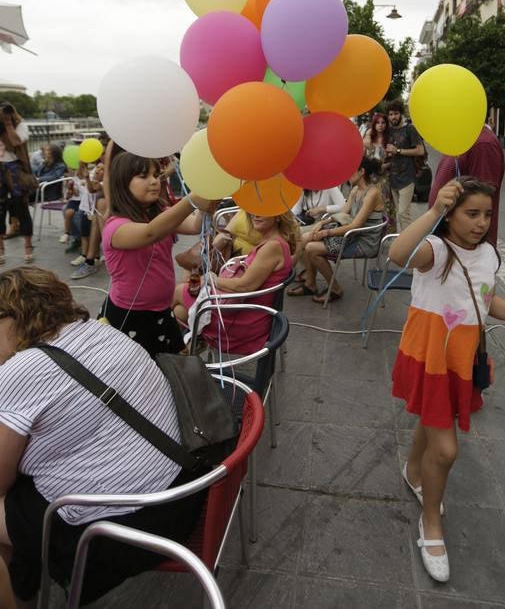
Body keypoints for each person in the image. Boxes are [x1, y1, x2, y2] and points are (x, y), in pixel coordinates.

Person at [0, 266, 206, 607]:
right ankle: (23, 588)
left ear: (12, 316)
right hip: (181, 497)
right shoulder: (100, 331)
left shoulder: (20, 370)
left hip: (117, 532)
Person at [389, 177, 505, 582]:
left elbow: (485, 297)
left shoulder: (488, 255)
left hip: (462, 359)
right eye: (471, 213)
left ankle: (412, 471)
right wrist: (431, 211)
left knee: (432, 419)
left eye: (487, 214)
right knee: (445, 451)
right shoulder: (437, 251)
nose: (480, 223)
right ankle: (431, 525)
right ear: (451, 214)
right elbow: (397, 253)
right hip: (430, 356)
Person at [101, 151, 214, 358]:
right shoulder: (115, 227)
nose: (154, 182)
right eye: (143, 176)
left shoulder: (160, 214)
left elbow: (195, 224)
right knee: (136, 375)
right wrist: (192, 200)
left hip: (162, 311)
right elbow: (149, 233)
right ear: (122, 183)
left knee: (172, 368)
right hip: (129, 315)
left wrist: (209, 199)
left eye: (156, 175)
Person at [176, 211, 295, 355]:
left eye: (262, 211)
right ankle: (189, 345)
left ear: (277, 216)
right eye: (253, 212)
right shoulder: (273, 242)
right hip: (249, 313)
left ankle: (165, 353)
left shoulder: (273, 246)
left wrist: (211, 279)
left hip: (244, 323)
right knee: (179, 311)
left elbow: (244, 286)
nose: (255, 215)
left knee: (177, 292)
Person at [289, 155, 385, 303]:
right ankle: (310, 283)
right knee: (306, 238)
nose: (346, 175)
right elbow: (342, 213)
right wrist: (323, 223)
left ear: (362, 172)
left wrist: (325, 232)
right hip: (351, 235)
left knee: (310, 248)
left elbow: (356, 225)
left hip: (364, 241)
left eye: (350, 171)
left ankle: (334, 288)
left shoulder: (372, 193)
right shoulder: (354, 191)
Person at [429, 123, 505, 246]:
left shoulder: (483, 144)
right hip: (446, 242)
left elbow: (482, 201)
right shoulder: (459, 138)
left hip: (464, 249)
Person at [0, 102, 34, 264]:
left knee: (21, 207)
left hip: (15, 169)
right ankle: (1, 248)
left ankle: (28, 245)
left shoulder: (20, 126)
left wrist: (8, 123)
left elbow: (15, 142)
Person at [385, 99, 425, 231]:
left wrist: (398, 151)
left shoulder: (409, 129)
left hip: (407, 177)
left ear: (401, 113)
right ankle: (400, 241)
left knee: (403, 213)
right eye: (390, 114)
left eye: (395, 113)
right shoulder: (388, 131)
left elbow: (420, 150)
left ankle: (408, 245)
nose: (393, 117)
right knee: (398, 213)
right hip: (393, 177)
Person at [363, 112, 397, 232]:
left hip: (383, 177)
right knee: (369, 204)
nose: (380, 125)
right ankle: (371, 230)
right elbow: (363, 158)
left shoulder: (390, 139)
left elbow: (394, 160)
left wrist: (385, 166)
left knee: (385, 203)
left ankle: (386, 231)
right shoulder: (368, 139)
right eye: (378, 122)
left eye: (383, 122)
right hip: (370, 177)